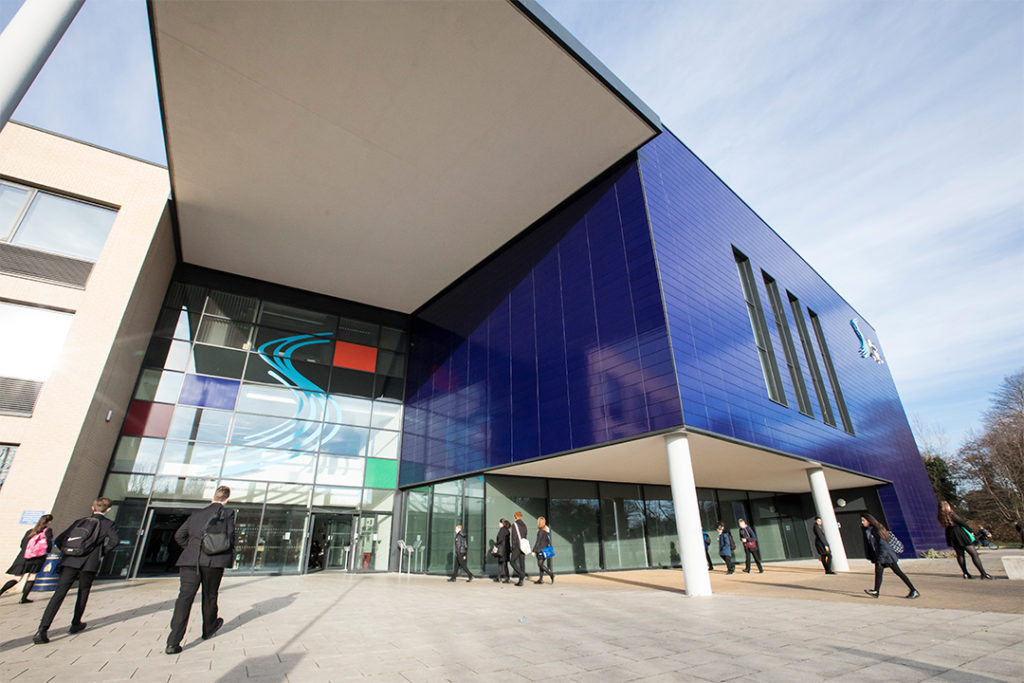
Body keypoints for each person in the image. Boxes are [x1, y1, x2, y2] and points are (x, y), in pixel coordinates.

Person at [33, 498, 119, 644]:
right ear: (108, 509)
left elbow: (60, 540)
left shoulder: (80, 521)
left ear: (93, 508)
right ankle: (75, 623)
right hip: (89, 563)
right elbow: (115, 541)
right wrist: (101, 552)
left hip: (70, 561)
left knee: (59, 594)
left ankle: (42, 629)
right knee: (83, 591)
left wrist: (69, 552)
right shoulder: (107, 524)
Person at [166, 486, 235, 654]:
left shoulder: (196, 515)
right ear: (226, 499)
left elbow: (179, 535)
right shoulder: (227, 514)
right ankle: (209, 628)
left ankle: (173, 642)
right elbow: (229, 537)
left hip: (190, 561)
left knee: (184, 599)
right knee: (210, 595)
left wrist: (191, 549)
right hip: (213, 562)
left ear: (213, 497)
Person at [861, 514, 919, 599]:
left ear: (869, 521)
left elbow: (883, 545)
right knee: (879, 572)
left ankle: (913, 590)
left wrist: (880, 559)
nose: (862, 522)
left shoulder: (876, 530)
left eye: (863, 520)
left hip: (887, 556)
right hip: (882, 556)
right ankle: (876, 591)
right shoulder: (869, 530)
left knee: (898, 572)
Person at [1, 514, 54, 603]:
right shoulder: (47, 531)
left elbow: (22, 545)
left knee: (18, 578)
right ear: (49, 522)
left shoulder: (30, 531)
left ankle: (0, 592)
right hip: (37, 559)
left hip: (23, 558)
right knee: (31, 577)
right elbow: (48, 545)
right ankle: (24, 598)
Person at [937, 501, 993, 580]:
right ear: (947, 506)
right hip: (959, 534)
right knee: (974, 554)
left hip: (950, 535)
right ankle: (983, 573)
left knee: (960, 554)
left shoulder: (941, 516)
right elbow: (963, 523)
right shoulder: (951, 514)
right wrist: (971, 531)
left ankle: (965, 573)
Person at [531, 516, 555, 584]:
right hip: (545, 550)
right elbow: (548, 541)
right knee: (541, 564)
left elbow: (537, 542)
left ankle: (551, 574)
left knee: (540, 564)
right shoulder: (546, 531)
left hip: (540, 550)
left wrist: (533, 551)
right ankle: (541, 579)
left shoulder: (540, 531)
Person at [509, 511, 529, 586]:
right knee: (522, 562)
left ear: (516, 516)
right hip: (523, 545)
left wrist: (513, 546)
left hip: (517, 545)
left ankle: (521, 574)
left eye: (514, 516)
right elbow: (525, 534)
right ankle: (521, 581)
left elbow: (514, 537)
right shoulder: (524, 525)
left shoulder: (514, 524)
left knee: (512, 561)